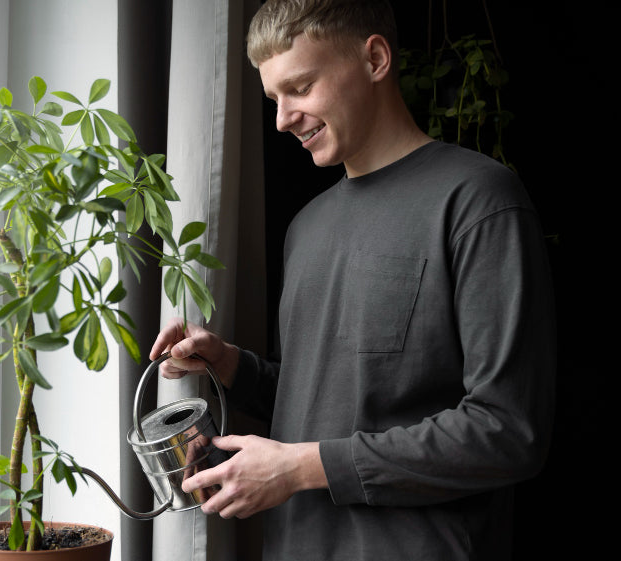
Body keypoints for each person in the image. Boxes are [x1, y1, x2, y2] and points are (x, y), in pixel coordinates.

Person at [149, 0, 556, 559]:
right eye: (274, 99)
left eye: (301, 87)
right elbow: (325, 404)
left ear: (375, 58)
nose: (282, 118)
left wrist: (302, 468)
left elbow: (508, 431)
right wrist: (230, 365)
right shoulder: (306, 227)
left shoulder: (477, 201)